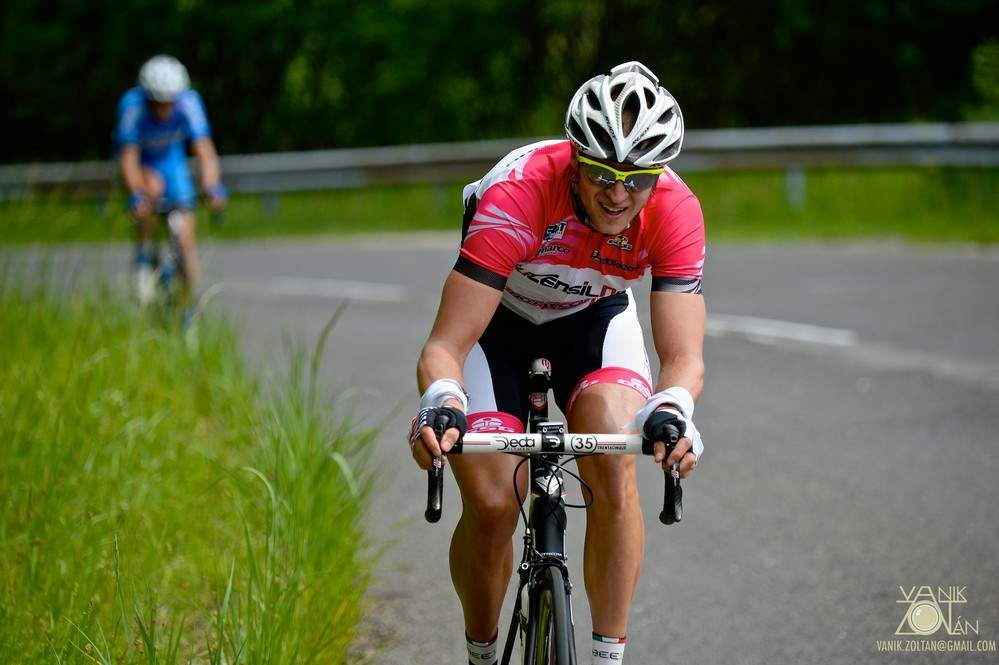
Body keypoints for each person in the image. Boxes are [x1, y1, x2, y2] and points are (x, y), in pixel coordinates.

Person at [410, 61, 706, 665]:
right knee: (494, 502)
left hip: (594, 322)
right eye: (601, 173)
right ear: (575, 158)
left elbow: (682, 357)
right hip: (499, 324)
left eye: (637, 179)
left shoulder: (676, 210)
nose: (618, 194)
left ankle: (606, 657)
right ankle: (481, 653)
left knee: (613, 462)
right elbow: (446, 345)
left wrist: (674, 408)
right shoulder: (518, 193)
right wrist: (441, 400)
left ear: (658, 175)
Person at [113, 54, 227, 315]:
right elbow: (128, 156)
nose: (163, 109)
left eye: (168, 103)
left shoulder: (189, 103)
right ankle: (144, 255)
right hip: (142, 162)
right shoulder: (132, 106)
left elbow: (204, 151)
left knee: (186, 236)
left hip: (171, 161)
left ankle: (187, 307)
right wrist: (137, 194)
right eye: (157, 102)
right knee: (151, 189)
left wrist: (212, 187)